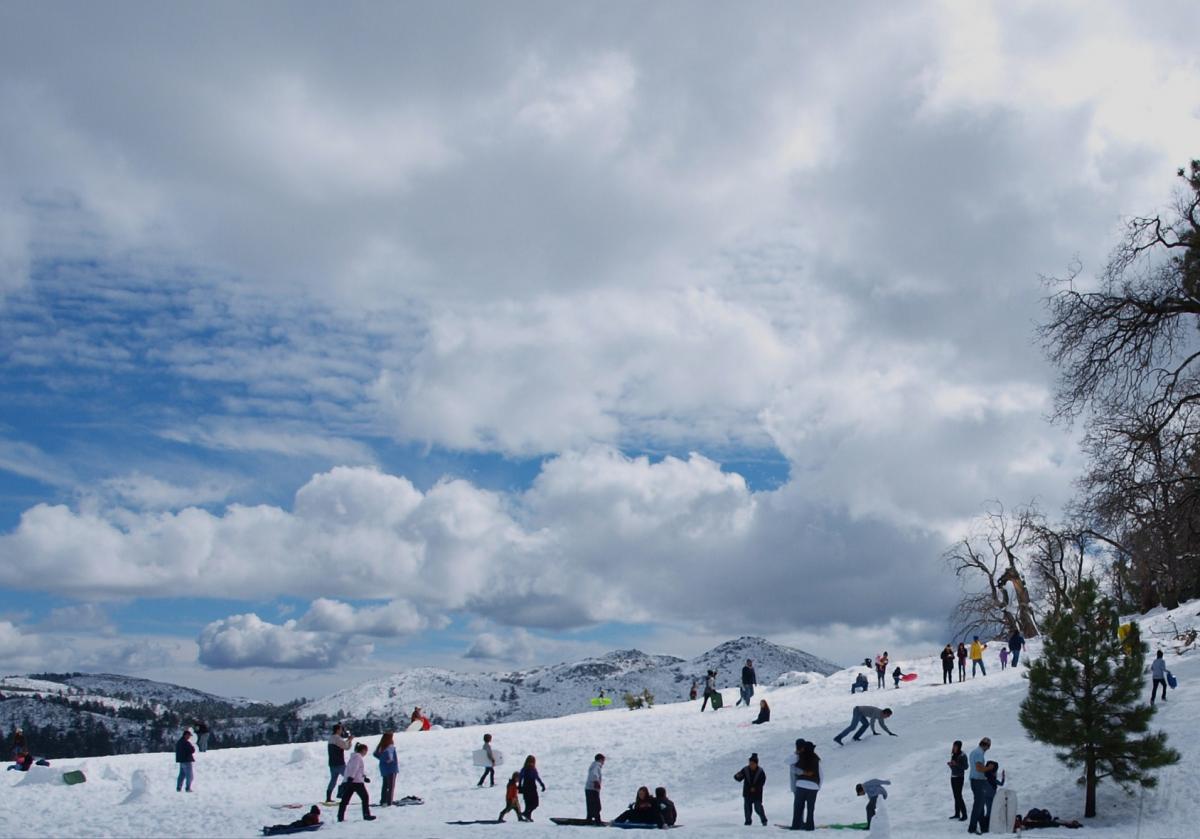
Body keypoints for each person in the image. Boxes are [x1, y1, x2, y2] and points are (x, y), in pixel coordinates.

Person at [337, 742, 376, 823]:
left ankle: (340, 817)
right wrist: (351, 778)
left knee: (345, 800)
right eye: (366, 751)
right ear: (363, 750)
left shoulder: (354, 757)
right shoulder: (358, 757)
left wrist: (364, 777)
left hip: (352, 781)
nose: (366, 753)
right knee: (365, 797)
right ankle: (366, 815)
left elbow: (356, 769)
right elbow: (354, 768)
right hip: (356, 782)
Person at [790, 740, 821, 831]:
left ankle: (796, 825)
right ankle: (810, 826)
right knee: (810, 809)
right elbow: (821, 775)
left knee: (798, 807)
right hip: (814, 786)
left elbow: (792, 767)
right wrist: (818, 787)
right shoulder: (816, 758)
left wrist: (803, 772)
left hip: (801, 784)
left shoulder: (800, 757)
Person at [735, 752, 768, 826]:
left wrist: (755, 788)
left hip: (757, 794)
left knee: (758, 808)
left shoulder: (760, 771)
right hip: (747, 793)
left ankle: (764, 821)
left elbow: (762, 782)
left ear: (756, 764)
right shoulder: (745, 769)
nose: (751, 765)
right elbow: (739, 778)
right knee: (747, 809)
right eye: (750, 763)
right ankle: (748, 822)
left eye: (752, 763)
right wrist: (737, 776)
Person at [967, 737, 992, 835]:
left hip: (975, 781)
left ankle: (983, 827)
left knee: (980, 804)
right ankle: (972, 828)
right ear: (987, 746)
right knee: (978, 805)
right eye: (988, 747)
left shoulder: (974, 752)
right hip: (978, 781)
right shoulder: (979, 753)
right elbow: (978, 768)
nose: (988, 749)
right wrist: (988, 768)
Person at [325, 723, 353, 804]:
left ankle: (328, 798)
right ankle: (342, 794)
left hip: (332, 763)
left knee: (333, 780)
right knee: (348, 778)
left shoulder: (331, 738)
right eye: (341, 729)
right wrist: (350, 740)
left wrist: (348, 741)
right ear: (337, 730)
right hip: (339, 763)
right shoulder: (337, 738)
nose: (342, 731)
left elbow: (343, 745)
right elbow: (346, 747)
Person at [374, 730, 398, 807]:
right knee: (391, 786)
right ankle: (389, 801)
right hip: (391, 768)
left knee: (385, 785)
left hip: (383, 768)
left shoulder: (381, 746)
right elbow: (391, 758)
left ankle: (383, 800)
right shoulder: (390, 746)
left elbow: (375, 754)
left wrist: (382, 759)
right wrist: (388, 760)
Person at [519, 754, 546, 821]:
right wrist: (519, 786)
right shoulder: (527, 769)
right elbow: (520, 778)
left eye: (532, 762)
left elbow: (537, 778)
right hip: (528, 787)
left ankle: (527, 814)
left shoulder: (529, 769)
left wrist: (542, 784)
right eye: (530, 762)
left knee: (533, 803)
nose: (531, 763)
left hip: (530, 787)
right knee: (531, 803)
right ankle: (527, 815)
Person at [947, 740, 968, 821]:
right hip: (953, 777)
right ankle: (957, 813)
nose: (954, 747)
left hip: (959, 777)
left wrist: (956, 764)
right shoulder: (954, 755)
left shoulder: (963, 755)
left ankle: (964, 815)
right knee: (956, 796)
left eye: (956, 746)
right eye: (954, 746)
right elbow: (954, 768)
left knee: (958, 796)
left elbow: (966, 767)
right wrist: (951, 765)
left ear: (959, 747)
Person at [585, 753, 605, 824]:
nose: (603, 763)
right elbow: (594, 774)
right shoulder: (596, 766)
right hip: (592, 789)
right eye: (603, 760)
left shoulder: (594, 765)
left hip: (589, 788)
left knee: (590, 805)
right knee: (597, 806)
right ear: (600, 760)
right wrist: (596, 782)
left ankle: (589, 819)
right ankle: (597, 820)